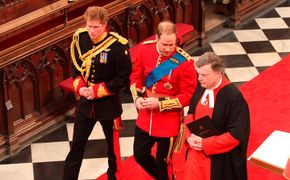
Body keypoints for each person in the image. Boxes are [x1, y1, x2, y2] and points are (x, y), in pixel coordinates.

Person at [63, 6, 132, 180]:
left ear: (105, 25)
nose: (92, 31)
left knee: (112, 148)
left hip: (108, 104)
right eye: (89, 26)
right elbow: (77, 70)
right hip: (86, 104)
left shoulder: (118, 46)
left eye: (96, 27)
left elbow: (123, 79)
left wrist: (96, 91)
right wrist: (80, 88)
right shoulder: (80, 38)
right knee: (77, 146)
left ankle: (113, 177)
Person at [129, 21, 197, 180]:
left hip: (169, 120)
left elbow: (188, 96)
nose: (168, 49)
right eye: (164, 44)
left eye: (172, 44)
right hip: (146, 115)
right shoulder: (144, 49)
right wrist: (137, 98)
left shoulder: (185, 62)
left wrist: (160, 104)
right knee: (140, 155)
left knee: (163, 162)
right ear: (157, 38)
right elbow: (135, 77)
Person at [183, 52, 250, 180]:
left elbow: (236, 135)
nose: (199, 78)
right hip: (195, 154)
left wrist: (205, 144)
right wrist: (188, 137)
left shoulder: (233, 97)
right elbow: (191, 112)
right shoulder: (202, 85)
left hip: (218, 161)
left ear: (218, 73)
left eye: (204, 75)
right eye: (198, 74)